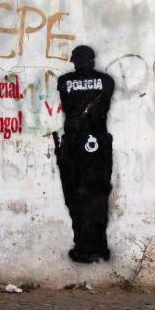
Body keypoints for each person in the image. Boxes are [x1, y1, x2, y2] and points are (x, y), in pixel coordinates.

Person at [52, 45, 115, 263]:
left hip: (78, 143)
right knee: (96, 194)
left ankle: (86, 244)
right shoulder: (106, 81)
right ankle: (94, 244)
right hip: (97, 143)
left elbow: (70, 105)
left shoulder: (65, 81)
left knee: (78, 195)